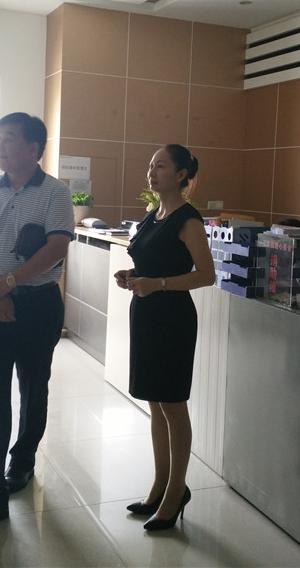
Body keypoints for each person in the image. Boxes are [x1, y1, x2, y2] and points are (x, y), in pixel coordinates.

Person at [0, 112, 74, 533]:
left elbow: (57, 247)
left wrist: (8, 283)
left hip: (38, 306)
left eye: (9, 139)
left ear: (33, 148)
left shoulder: (56, 193)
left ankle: (22, 460)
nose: (0, 146)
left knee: (33, 387)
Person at [113, 144, 215, 531]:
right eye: (150, 166)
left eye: (161, 166)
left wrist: (157, 284)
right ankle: (159, 486)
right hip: (145, 314)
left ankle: (176, 492)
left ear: (181, 175)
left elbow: (206, 274)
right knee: (154, 403)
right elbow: (150, 263)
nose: (152, 172)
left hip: (172, 318)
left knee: (172, 404)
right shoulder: (153, 215)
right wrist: (132, 276)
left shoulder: (188, 219)